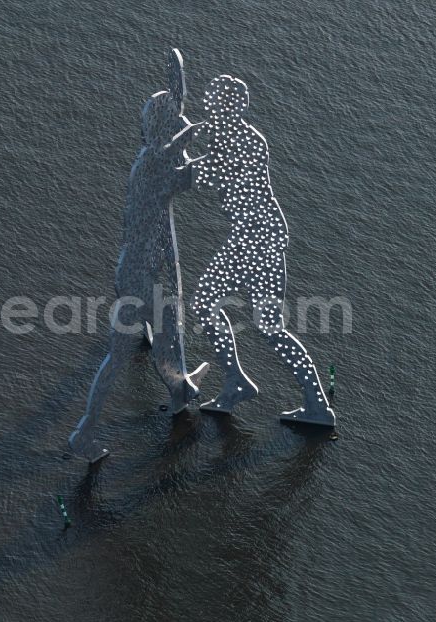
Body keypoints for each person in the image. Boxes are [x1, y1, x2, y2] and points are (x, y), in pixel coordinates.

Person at [69, 50, 208, 461]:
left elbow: (177, 158)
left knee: (135, 348)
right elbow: (187, 174)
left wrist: (186, 128)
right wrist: (210, 140)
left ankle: (180, 390)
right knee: (149, 341)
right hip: (149, 276)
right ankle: (176, 392)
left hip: (131, 270)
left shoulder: (146, 162)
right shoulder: (156, 167)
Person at [191, 75, 334, 425]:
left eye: (212, 102)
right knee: (268, 325)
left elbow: (203, 176)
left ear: (226, 106)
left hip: (255, 239)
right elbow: (208, 159)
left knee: (207, 304)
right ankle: (315, 405)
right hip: (262, 236)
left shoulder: (239, 141)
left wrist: (173, 149)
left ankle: (238, 382)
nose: (207, 107)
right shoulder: (237, 135)